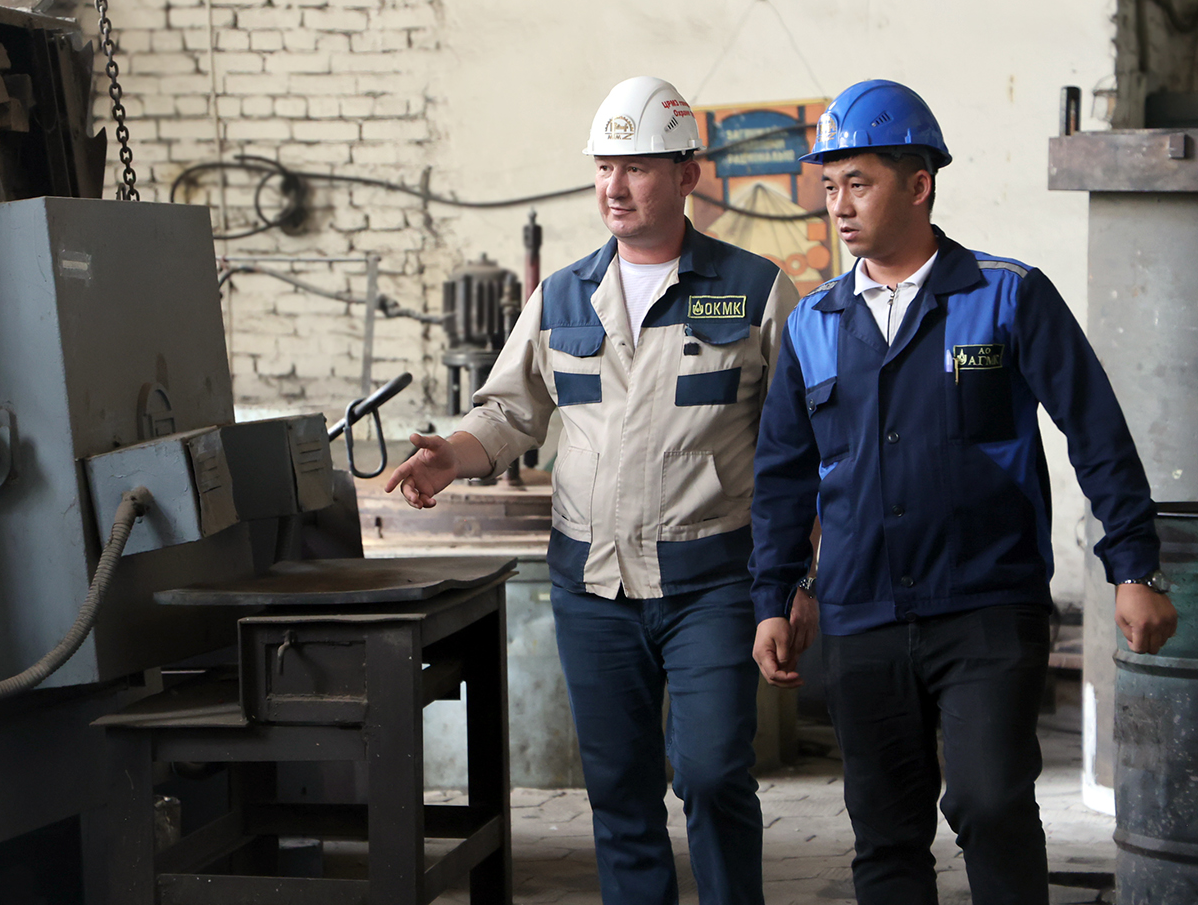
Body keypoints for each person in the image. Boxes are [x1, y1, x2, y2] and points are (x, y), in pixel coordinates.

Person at [748, 79, 1180, 905]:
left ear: (919, 185)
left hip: (986, 605)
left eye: (858, 183)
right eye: (829, 185)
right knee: (885, 836)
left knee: (990, 804)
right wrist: (776, 595)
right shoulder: (813, 324)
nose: (839, 206)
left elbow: (1095, 430)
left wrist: (1134, 567)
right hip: (862, 613)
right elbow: (783, 478)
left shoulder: (1007, 294)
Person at [385, 76, 803, 904]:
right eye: (605, 168)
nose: (615, 186)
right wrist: (452, 456)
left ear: (687, 175)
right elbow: (510, 411)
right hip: (593, 588)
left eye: (637, 167)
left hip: (713, 582)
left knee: (714, 772)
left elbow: (800, 446)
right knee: (618, 792)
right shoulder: (563, 294)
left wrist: (798, 580)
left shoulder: (756, 290)